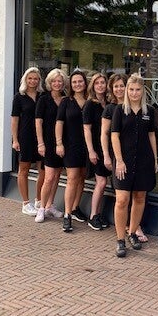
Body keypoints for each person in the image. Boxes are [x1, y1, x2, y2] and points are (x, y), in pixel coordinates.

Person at [111, 74, 158, 257]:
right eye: (131, 89)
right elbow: (114, 136)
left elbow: (151, 135)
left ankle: (132, 233)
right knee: (122, 200)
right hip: (124, 161)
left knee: (139, 197)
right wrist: (119, 160)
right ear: (127, 91)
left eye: (138, 90)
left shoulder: (149, 111)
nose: (134, 93)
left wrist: (155, 160)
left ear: (143, 91)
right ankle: (120, 240)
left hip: (144, 161)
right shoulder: (119, 110)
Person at [55, 70, 88, 232]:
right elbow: (59, 123)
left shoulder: (90, 101)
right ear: (70, 85)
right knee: (72, 178)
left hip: (87, 147)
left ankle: (75, 208)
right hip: (70, 146)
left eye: (80, 81)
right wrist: (59, 143)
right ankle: (67, 214)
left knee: (82, 178)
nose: (77, 84)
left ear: (85, 83)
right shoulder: (66, 102)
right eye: (74, 82)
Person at [34, 68, 66, 223]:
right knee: (49, 177)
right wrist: (40, 143)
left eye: (60, 81)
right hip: (48, 142)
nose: (57, 84)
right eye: (54, 81)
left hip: (63, 142)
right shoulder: (44, 99)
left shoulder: (65, 99)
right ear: (49, 82)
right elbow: (38, 122)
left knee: (57, 175)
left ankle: (50, 206)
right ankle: (41, 208)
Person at [11, 67, 44, 215]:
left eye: (35, 78)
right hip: (25, 137)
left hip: (41, 138)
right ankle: (25, 203)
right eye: (30, 78)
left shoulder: (43, 96)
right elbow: (14, 120)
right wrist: (15, 140)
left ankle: (39, 200)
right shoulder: (19, 97)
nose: (33, 81)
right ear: (25, 79)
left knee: (43, 170)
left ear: (39, 80)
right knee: (23, 169)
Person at [83, 72, 110, 230]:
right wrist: (91, 151)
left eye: (102, 82)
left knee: (103, 182)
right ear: (93, 86)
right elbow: (86, 129)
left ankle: (98, 214)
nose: (100, 85)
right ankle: (93, 216)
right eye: (97, 83)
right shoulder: (90, 105)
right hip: (96, 148)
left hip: (107, 147)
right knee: (101, 182)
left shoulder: (108, 103)